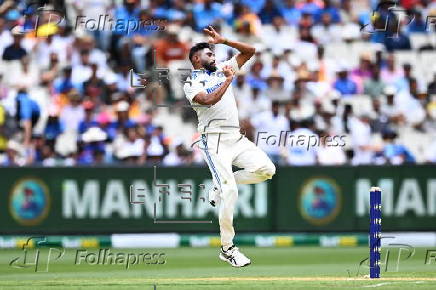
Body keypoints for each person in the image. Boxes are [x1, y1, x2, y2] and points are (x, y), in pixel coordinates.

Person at [183, 26, 276, 267]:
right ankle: (228, 248)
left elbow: (251, 51)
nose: (214, 56)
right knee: (231, 192)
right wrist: (227, 79)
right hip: (213, 141)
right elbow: (208, 99)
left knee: (267, 170)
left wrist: (225, 40)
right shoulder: (191, 83)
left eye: (215, 53)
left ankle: (218, 187)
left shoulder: (223, 68)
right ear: (196, 59)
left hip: (235, 138)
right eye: (209, 54)